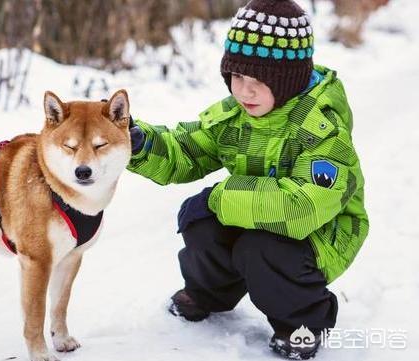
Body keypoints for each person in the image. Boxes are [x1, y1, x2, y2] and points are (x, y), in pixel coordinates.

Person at [127, 0, 368, 359]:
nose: (244, 91)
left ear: (288, 81)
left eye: (259, 81)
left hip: (323, 232)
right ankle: (209, 294)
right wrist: (139, 142)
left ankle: (303, 323)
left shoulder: (322, 130)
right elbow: (187, 149)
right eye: (237, 77)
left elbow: (301, 207)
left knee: (261, 248)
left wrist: (219, 198)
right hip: (259, 216)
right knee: (203, 224)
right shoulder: (236, 116)